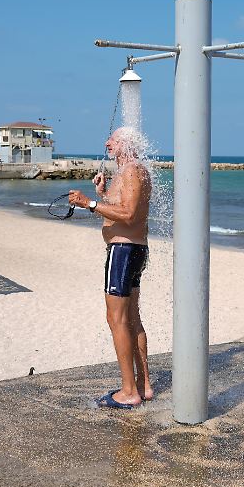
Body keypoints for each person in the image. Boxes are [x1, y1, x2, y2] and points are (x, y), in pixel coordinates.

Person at [69, 127, 152, 409]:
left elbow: (128, 215)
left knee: (116, 320)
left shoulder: (129, 171)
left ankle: (129, 392)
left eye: (113, 140)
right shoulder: (135, 171)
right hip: (134, 249)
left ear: (126, 144)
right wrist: (102, 194)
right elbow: (127, 209)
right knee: (131, 318)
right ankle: (143, 385)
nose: (107, 143)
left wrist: (89, 203)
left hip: (123, 251)